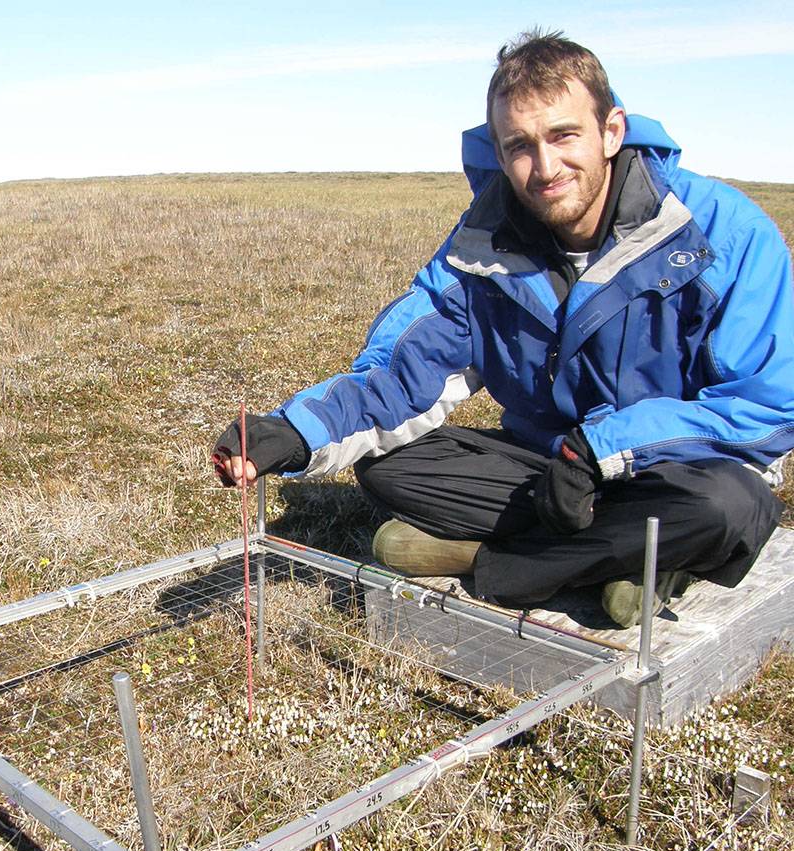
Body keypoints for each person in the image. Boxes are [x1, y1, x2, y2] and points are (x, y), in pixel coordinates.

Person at [212, 29, 793, 627]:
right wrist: (295, 431)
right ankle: (630, 560)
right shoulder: (479, 249)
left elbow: (766, 406)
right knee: (390, 469)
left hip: (679, 468)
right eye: (520, 145)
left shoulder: (724, 236)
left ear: (611, 131)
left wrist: (603, 451)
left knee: (727, 508)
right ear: (498, 148)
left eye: (564, 135)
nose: (545, 167)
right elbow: (404, 372)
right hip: (546, 466)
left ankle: (497, 562)